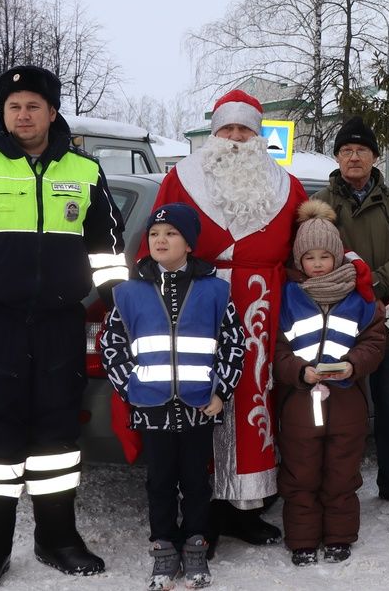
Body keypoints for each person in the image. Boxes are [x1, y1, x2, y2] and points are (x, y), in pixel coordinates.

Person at [0, 65, 129, 590]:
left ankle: (57, 539)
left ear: (52, 112)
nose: (23, 115)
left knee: (58, 433)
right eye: (14, 106)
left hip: (60, 323)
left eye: (34, 106)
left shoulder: (83, 170)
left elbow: (107, 252)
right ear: (2, 112)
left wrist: (123, 307)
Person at [141, 89, 309, 547]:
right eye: (227, 129)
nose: (235, 138)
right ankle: (202, 513)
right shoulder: (182, 178)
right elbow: (155, 241)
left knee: (255, 402)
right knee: (201, 397)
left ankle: (244, 509)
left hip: (262, 309)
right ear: (213, 133)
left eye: (244, 130)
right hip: (196, 305)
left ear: (259, 136)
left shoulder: (284, 184)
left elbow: (307, 248)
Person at [100, 204, 246, 590]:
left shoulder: (215, 290)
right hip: (151, 409)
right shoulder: (129, 292)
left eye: (171, 233)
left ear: (189, 243)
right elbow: (111, 344)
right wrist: (128, 388)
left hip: (200, 406)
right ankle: (164, 547)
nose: (160, 240)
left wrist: (222, 392)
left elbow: (234, 343)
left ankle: (196, 544)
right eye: (154, 234)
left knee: (197, 481)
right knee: (160, 481)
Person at [312, 115, 389, 510]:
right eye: (346, 150)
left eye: (361, 149)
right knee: (340, 410)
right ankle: (338, 484)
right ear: (338, 158)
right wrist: (344, 289)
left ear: (375, 157)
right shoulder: (320, 206)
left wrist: (377, 282)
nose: (354, 157)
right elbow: (307, 256)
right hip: (337, 325)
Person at [274, 200, 387, 566]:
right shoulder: (287, 297)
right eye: (310, 257)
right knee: (300, 473)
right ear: (299, 261)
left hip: (346, 403)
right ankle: (302, 538)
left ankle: (339, 535)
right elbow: (276, 348)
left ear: (338, 256)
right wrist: (298, 371)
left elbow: (374, 342)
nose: (318, 263)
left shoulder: (361, 298)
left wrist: (353, 366)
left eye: (325, 256)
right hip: (301, 405)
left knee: (342, 473)